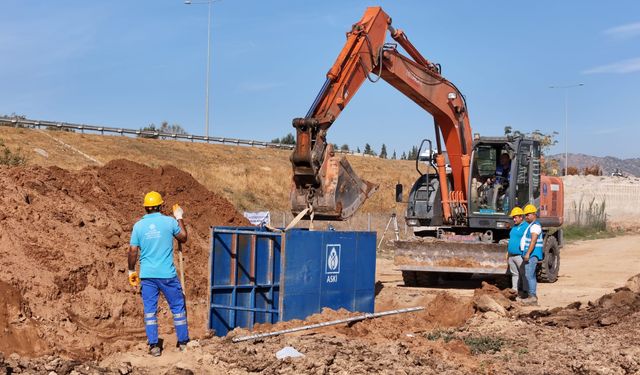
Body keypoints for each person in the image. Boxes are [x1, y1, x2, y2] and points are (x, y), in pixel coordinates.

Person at [128, 191, 189, 357]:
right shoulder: (169, 222)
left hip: (147, 276)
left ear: (146, 208)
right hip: (167, 274)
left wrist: (131, 270)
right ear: (160, 206)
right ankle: (183, 342)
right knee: (177, 308)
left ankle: (154, 346)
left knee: (149, 311)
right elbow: (183, 237)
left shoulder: (138, 226)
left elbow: (133, 251)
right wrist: (179, 217)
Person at [520, 204, 544, 305]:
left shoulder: (535, 226)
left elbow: (533, 241)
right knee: (530, 275)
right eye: (525, 215)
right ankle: (532, 296)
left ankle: (532, 297)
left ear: (534, 214)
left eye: (528, 214)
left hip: (532, 254)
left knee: (529, 275)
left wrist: (528, 253)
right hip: (530, 254)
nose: (526, 217)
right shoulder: (531, 225)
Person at [507, 207, 526, 296]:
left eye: (515, 217)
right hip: (511, 255)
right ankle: (515, 291)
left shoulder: (526, 227)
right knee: (514, 274)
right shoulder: (514, 227)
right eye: (513, 217)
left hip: (520, 255)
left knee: (523, 274)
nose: (514, 219)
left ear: (521, 217)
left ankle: (525, 292)